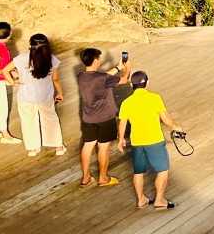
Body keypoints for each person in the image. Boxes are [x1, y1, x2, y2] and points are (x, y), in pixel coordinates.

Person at [118, 71, 182, 210]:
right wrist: (176, 127)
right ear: (147, 83)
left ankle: (141, 200)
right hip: (154, 140)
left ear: (132, 85)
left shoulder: (126, 103)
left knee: (138, 172)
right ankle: (159, 200)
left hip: (137, 142)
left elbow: (122, 123)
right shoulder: (155, 98)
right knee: (163, 171)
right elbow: (166, 120)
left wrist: (121, 140)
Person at [77, 47, 132, 187]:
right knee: (103, 147)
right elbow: (124, 80)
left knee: (88, 145)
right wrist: (127, 68)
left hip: (88, 118)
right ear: (96, 61)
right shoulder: (103, 79)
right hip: (105, 118)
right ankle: (103, 178)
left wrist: (117, 68)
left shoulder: (82, 76)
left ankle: (85, 178)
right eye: (99, 58)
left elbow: (101, 77)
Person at [6, 33, 65, 157]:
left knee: (28, 121)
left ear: (30, 45)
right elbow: (55, 79)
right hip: (45, 97)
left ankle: (33, 149)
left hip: (26, 97)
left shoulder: (21, 58)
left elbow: (4, 70)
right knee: (50, 119)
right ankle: (58, 146)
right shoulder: (52, 59)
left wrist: (13, 82)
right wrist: (60, 93)